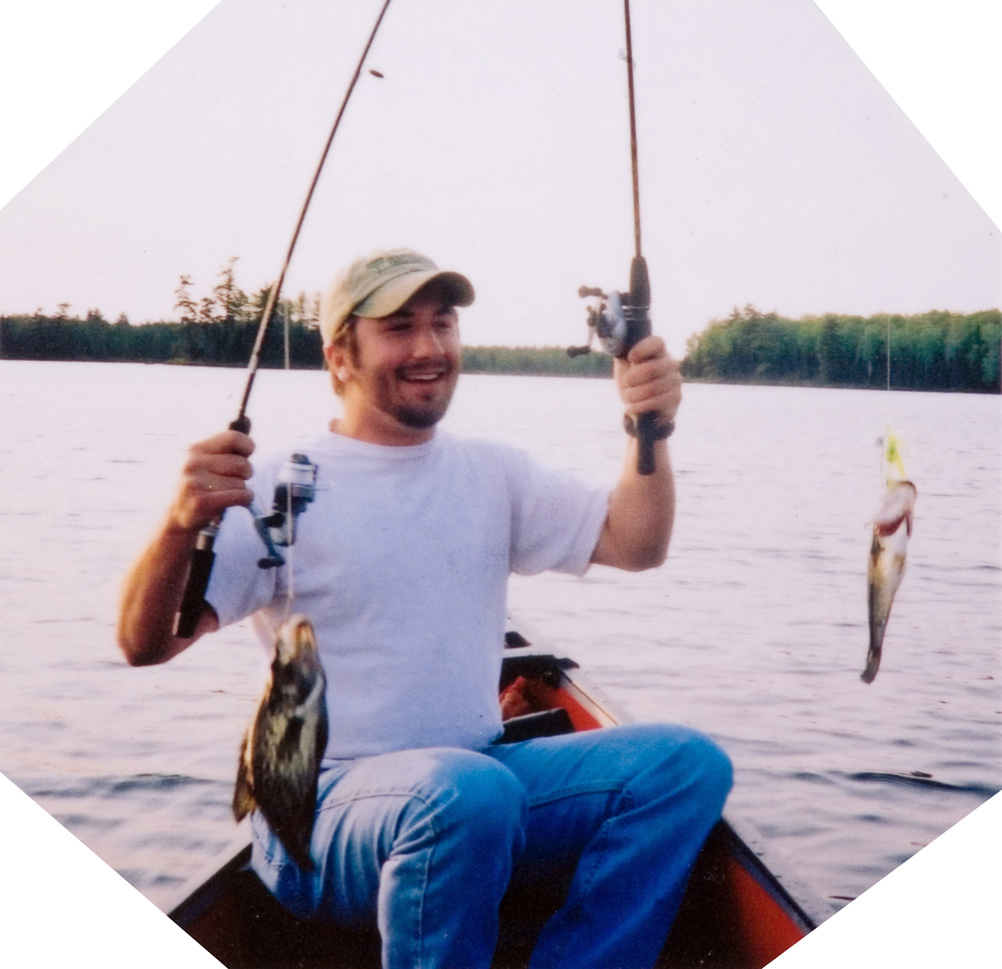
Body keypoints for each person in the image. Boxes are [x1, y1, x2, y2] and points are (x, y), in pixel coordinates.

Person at [117, 248, 732, 969]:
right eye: (399, 326)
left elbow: (635, 542)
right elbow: (144, 642)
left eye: (443, 323)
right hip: (319, 816)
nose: (430, 347)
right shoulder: (283, 488)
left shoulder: (491, 473)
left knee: (685, 765)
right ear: (340, 355)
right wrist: (178, 523)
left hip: (478, 783)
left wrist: (648, 428)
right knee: (467, 794)